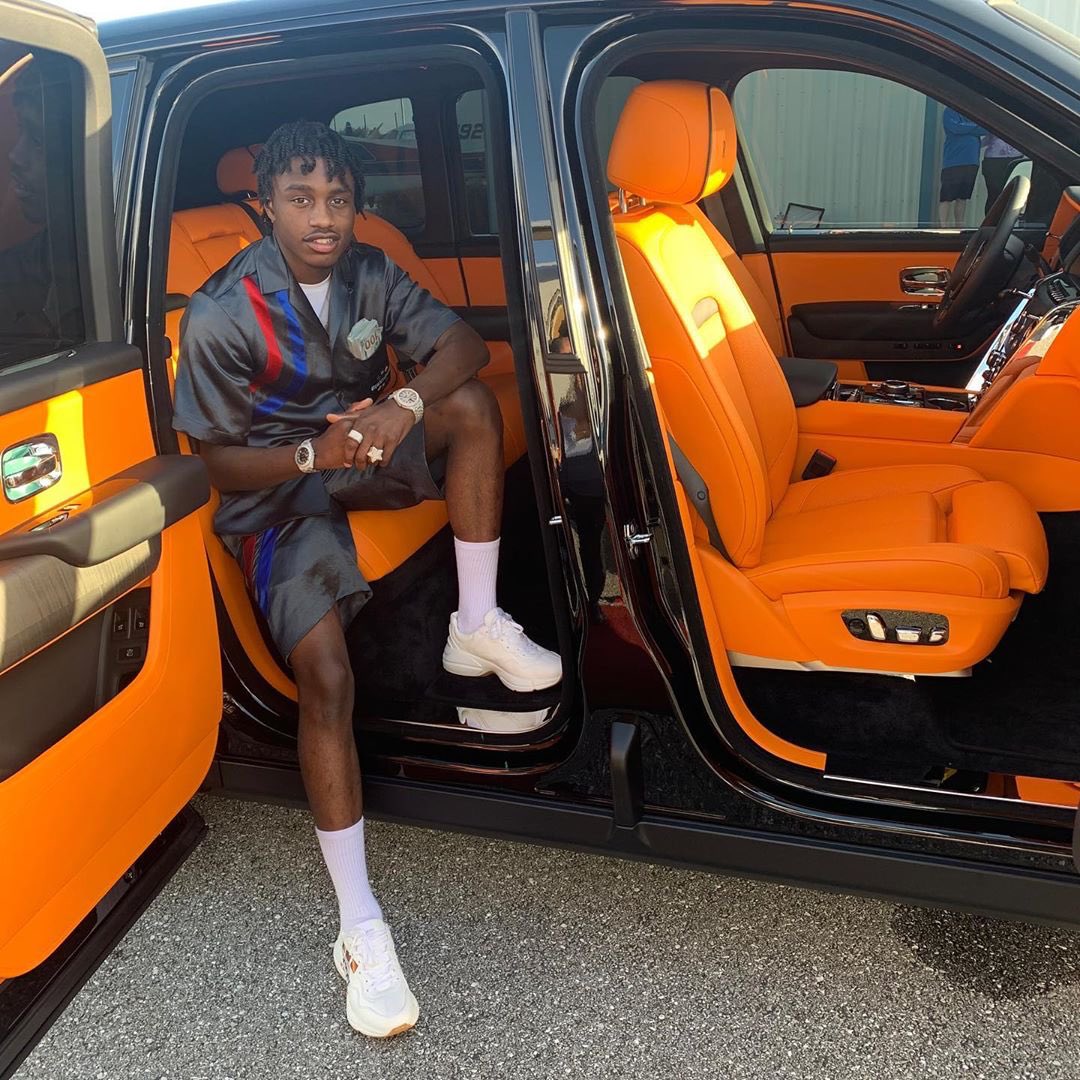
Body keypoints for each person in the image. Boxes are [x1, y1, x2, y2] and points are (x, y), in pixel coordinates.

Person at [171, 120, 561, 1039]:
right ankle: (360, 927)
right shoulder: (223, 311)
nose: (323, 218)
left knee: (471, 407)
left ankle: (474, 622)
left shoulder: (369, 271)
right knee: (328, 678)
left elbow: (461, 345)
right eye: (301, 199)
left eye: (338, 199)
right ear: (265, 205)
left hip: (358, 448)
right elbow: (218, 463)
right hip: (277, 494)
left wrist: (401, 403)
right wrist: (318, 450)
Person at [938, 108, 986, 227]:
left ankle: (959, 226)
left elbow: (984, 129)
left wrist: (967, 128)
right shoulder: (949, 111)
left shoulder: (973, 112)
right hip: (953, 161)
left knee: (962, 197)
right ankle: (943, 227)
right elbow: (955, 127)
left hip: (971, 161)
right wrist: (974, 128)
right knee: (946, 197)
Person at [981, 134, 1025, 215]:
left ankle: (1008, 220)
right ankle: (991, 222)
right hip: (993, 159)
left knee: (1013, 195)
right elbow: (983, 137)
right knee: (994, 195)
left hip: (1016, 158)